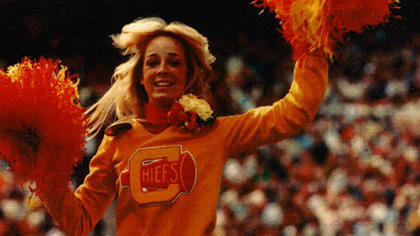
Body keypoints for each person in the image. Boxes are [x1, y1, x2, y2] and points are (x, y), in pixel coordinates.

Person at [39, 17, 328, 235]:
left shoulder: (213, 133)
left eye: (174, 62)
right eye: (153, 62)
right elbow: (78, 221)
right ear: (141, 76)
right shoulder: (117, 140)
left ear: (189, 75)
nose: (163, 69)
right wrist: (41, 166)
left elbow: (294, 113)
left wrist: (310, 45)